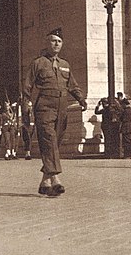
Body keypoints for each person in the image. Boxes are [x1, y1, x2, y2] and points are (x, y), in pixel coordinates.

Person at [23, 27, 87, 196]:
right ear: (47, 42)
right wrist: (26, 105)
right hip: (44, 106)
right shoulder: (38, 63)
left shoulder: (65, 65)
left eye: (59, 41)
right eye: (53, 40)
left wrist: (81, 98)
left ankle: (45, 182)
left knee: (55, 142)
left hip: (62, 107)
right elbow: (27, 86)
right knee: (49, 140)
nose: (56, 44)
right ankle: (56, 180)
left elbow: (72, 85)